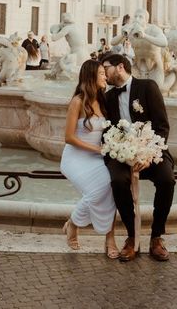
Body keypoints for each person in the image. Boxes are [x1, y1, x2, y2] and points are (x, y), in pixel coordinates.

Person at [101, 53, 175, 262]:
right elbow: (108, 131)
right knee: (117, 180)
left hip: (152, 151)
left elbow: (162, 126)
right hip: (122, 154)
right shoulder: (108, 97)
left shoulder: (148, 87)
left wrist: (149, 154)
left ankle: (156, 237)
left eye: (106, 67)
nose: (104, 72)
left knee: (167, 180)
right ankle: (132, 236)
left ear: (120, 67)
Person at [60, 59, 119, 258]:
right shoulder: (77, 101)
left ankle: (109, 238)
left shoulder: (103, 100)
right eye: (102, 73)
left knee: (111, 186)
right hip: (75, 158)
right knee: (96, 191)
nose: (106, 76)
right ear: (92, 76)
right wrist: (96, 148)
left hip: (95, 157)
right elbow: (68, 137)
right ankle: (73, 225)